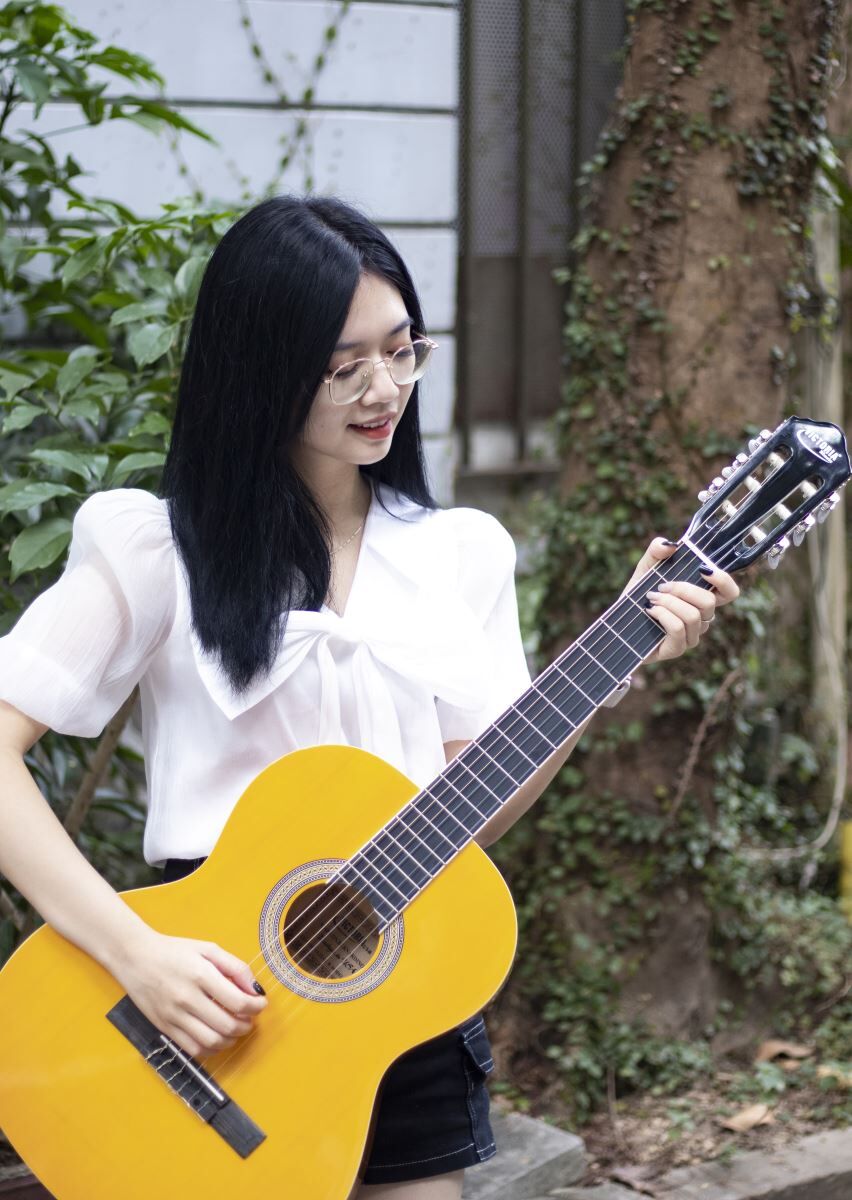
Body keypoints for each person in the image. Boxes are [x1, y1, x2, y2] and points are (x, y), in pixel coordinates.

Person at [0, 195, 739, 1199]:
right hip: (197, 998)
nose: (383, 388)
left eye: (401, 351)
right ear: (260, 369)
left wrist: (607, 662)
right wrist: (136, 955)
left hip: (403, 992)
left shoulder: (461, 553)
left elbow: (468, 812)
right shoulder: (155, 550)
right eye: (342, 366)